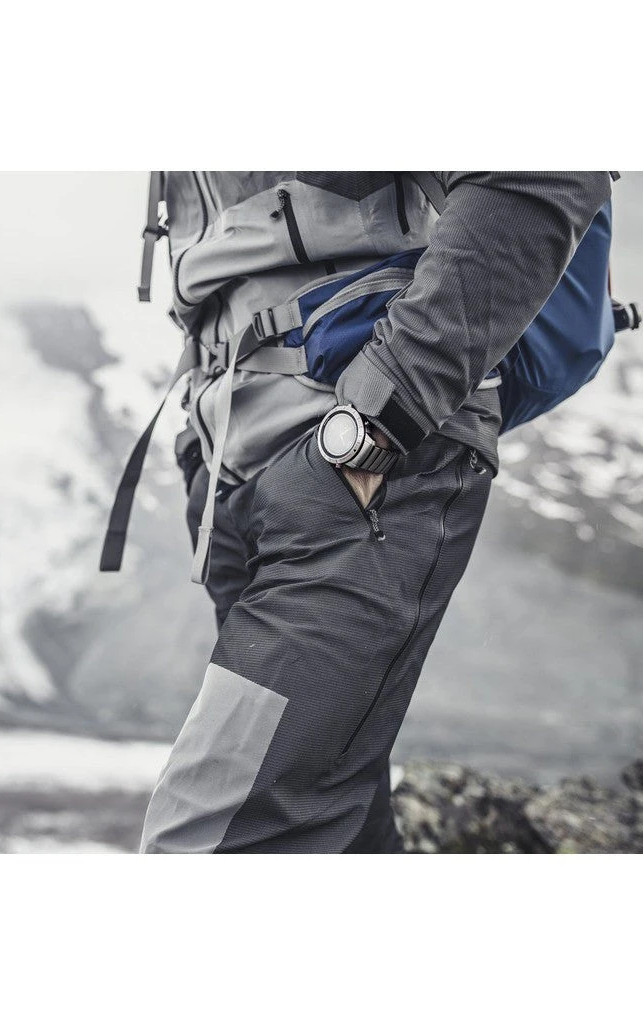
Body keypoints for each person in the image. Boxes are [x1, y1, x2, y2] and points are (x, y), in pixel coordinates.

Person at [136, 172, 612, 853]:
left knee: (219, 832)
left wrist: (382, 417)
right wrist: (199, 440)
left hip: (357, 450)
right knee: (330, 810)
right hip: (227, 468)